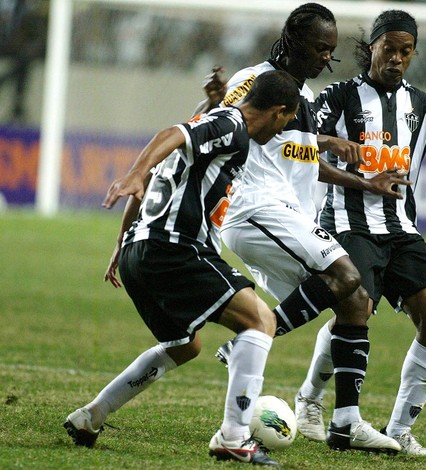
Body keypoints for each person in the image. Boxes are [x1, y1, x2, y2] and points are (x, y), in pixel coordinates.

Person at [292, 9, 426, 456]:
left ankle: (400, 428)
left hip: (400, 228)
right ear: (373, 47)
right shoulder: (339, 96)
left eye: (406, 51)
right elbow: (304, 150)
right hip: (347, 222)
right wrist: (355, 174)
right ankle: (310, 399)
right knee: (357, 307)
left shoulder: (420, 105)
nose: (397, 58)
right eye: (390, 48)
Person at [63, 70, 300, 466]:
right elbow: (170, 134)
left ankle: (92, 416)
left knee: (184, 346)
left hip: (140, 251)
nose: (280, 133)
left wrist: (122, 243)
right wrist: (135, 170)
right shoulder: (231, 125)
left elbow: (166, 164)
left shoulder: (215, 126)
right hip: (174, 249)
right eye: (286, 123)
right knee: (261, 320)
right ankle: (234, 436)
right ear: (279, 112)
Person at [213, 3, 408, 454]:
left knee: (354, 301)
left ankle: (347, 422)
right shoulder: (257, 80)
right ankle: (253, 336)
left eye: (331, 51)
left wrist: (365, 181)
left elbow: (303, 159)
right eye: (320, 48)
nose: (326, 58)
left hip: (287, 216)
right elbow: (227, 124)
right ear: (293, 40)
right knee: (346, 276)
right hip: (256, 209)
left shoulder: (301, 97)